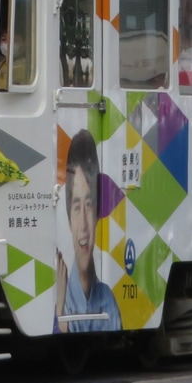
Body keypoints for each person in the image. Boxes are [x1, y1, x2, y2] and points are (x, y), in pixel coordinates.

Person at [56, 129, 121, 332]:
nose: (83, 225)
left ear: (97, 215)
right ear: (68, 219)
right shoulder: (57, 295)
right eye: (76, 208)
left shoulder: (109, 301)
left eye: (89, 205)